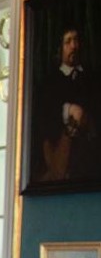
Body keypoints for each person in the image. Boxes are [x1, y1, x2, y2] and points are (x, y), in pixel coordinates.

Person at [36, 26, 101, 182]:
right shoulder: (50, 81)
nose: (73, 46)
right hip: (60, 156)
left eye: (76, 40)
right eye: (68, 41)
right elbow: (44, 117)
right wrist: (68, 110)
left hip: (89, 160)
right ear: (60, 48)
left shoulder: (92, 78)